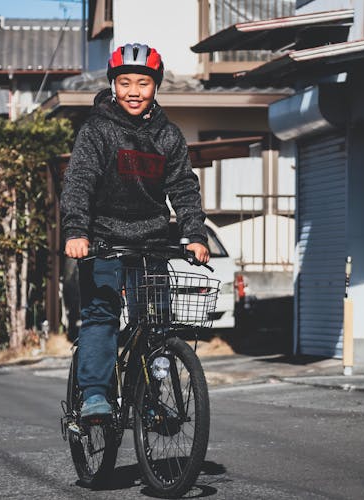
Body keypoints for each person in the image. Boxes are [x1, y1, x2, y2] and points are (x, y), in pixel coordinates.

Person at [61, 43, 210, 418]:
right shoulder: (96, 130)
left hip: (152, 242)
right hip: (102, 241)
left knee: (157, 325)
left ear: (155, 87)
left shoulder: (168, 136)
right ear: (113, 85)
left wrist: (194, 234)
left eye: (142, 83)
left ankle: (148, 396)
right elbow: (78, 183)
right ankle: (95, 394)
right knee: (101, 315)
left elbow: (184, 187)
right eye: (124, 82)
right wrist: (77, 232)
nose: (133, 91)